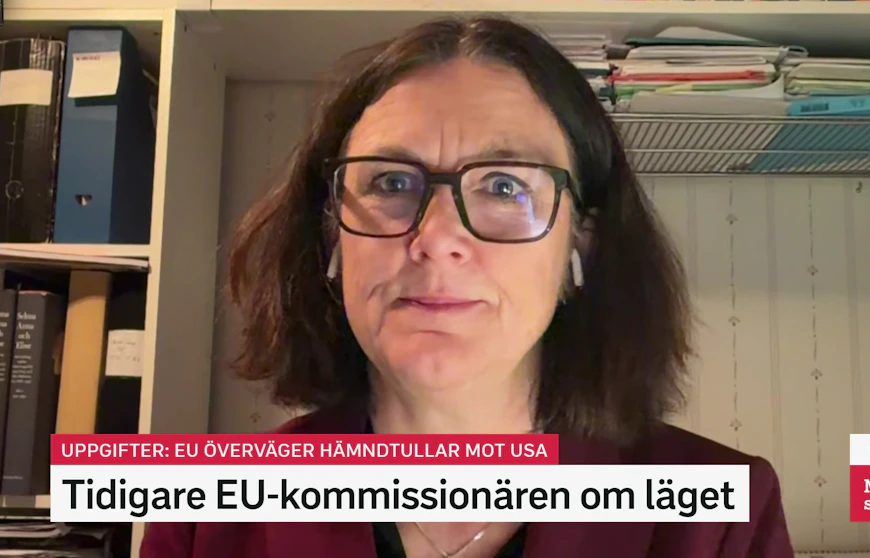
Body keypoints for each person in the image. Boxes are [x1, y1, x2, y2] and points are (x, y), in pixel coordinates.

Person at [140, 16, 794, 558]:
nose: (436, 237)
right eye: (391, 183)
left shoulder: (722, 520)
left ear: (579, 244)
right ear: (333, 236)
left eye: (505, 187)